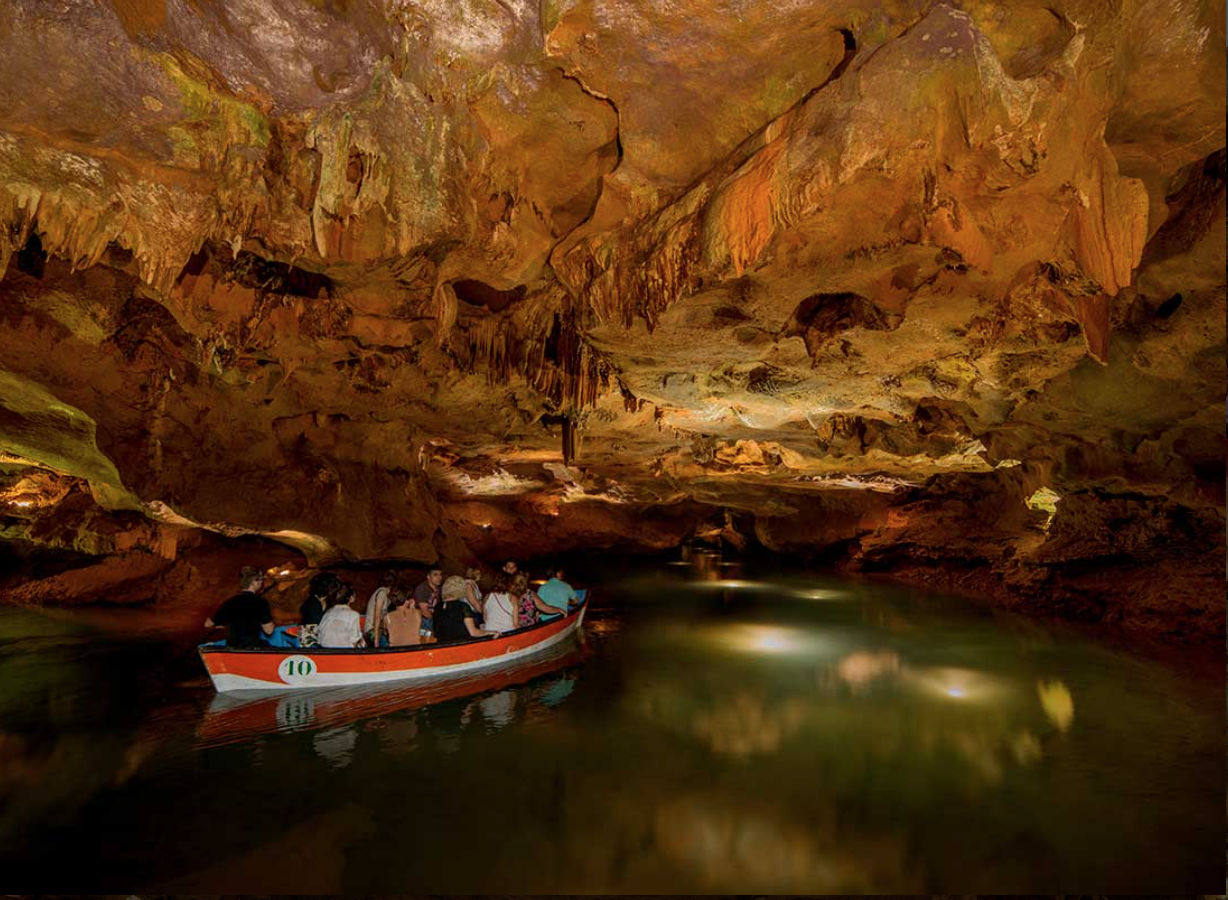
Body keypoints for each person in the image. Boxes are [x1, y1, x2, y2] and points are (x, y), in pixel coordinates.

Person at [205, 566, 273, 648]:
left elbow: (208, 624)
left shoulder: (229, 602)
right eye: (261, 578)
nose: (262, 581)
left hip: (233, 647)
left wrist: (224, 624)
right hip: (253, 647)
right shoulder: (260, 602)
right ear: (253, 582)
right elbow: (269, 631)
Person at [435, 575, 499, 643]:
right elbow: (473, 632)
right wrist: (489, 632)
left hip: (443, 645)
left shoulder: (437, 607)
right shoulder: (463, 607)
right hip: (462, 644)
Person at [318, 581, 366, 649]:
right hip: (345, 653)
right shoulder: (353, 615)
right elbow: (354, 640)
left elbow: (320, 638)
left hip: (325, 651)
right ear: (351, 598)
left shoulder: (328, 613)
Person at [364, 573, 397, 646]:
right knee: (387, 646)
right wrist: (376, 639)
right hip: (371, 630)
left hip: (377, 630)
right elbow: (377, 617)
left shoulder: (384, 595)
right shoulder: (381, 593)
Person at [414, 568, 443, 636]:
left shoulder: (439, 588)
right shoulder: (422, 589)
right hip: (424, 620)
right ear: (428, 577)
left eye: (440, 574)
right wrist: (436, 622)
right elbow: (424, 611)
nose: (439, 577)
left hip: (432, 618)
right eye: (435, 575)